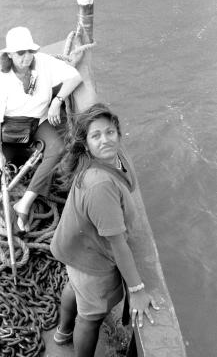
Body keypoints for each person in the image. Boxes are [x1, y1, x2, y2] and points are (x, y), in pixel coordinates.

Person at [50, 103, 159, 357]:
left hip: (74, 247)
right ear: (86, 144)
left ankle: (62, 332)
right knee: (90, 317)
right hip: (89, 257)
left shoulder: (116, 158)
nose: (105, 140)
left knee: (75, 288)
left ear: (119, 134)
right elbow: (118, 245)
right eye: (95, 136)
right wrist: (137, 290)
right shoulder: (99, 185)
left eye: (110, 132)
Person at [0, 26, 82, 232]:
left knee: (58, 148)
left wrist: (57, 101)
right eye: (20, 53)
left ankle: (25, 203)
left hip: (37, 122)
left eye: (30, 51)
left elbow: (74, 76)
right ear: (9, 55)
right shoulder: (0, 78)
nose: (26, 57)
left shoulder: (43, 63)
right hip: (7, 129)